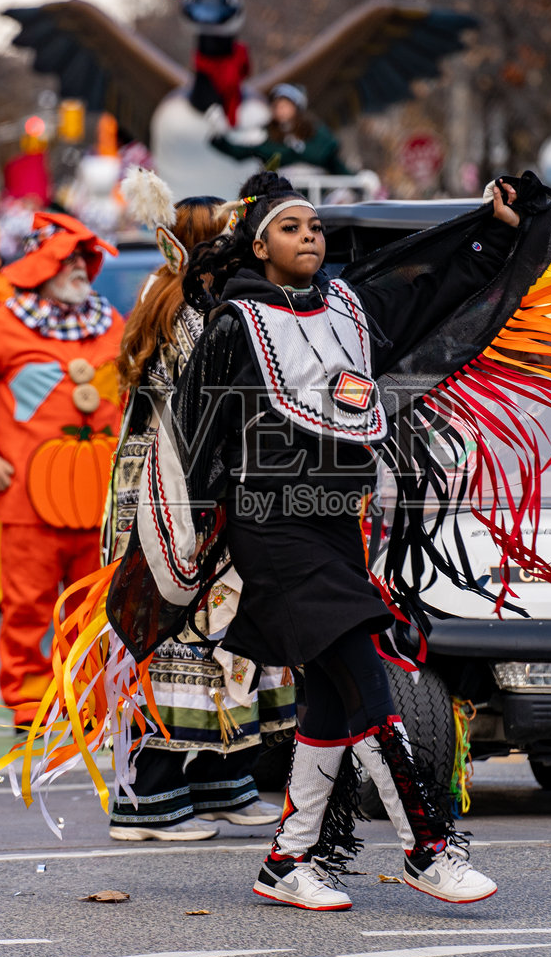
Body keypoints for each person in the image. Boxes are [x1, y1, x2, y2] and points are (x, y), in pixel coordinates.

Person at [139, 172, 526, 909]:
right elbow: (194, 436)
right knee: (368, 677)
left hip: (335, 525)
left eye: (315, 225)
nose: (310, 235)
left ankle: (287, 862)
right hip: (270, 527)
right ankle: (428, 846)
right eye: (290, 227)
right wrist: (207, 537)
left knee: (327, 700)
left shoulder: (350, 307)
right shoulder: (235, 323)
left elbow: (430, 289)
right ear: (259, 245)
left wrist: (496, 232)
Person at [102, 172, 290, 842]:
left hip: (196, 480)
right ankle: (146, 799)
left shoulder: (198, 301)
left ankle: (217, 778)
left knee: (214, 626)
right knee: (173, 629)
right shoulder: (185, 309)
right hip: (173, 489)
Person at [0, 213, 125, 728]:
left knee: (92, 613)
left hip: (99, 498)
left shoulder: (109, 321)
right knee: (25, 610)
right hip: (27, 498)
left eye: (80, 260)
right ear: (40, 267)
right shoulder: (5, 323)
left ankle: (89, 704)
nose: (76, 270)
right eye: (64, 261)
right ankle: (29, 704)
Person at [209, 83, 350, 176]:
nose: (280, 109)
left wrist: (358, 178)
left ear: (297, 108)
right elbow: (239, 152)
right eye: (276, 105)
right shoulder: (266, 133)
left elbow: (328, 156)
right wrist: (219, 136)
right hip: (280, 195)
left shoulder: (314, 131)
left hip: (318, 193)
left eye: (285, 105)